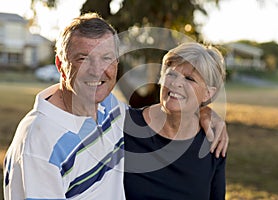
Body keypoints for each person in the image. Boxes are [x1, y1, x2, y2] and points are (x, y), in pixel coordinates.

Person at [3, 13, 227, 199]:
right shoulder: (38, 144)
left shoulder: (110, 111)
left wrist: (205, 112)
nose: (97, 70)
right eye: (83, 58)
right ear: (61, 64)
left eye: (106, 58)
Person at [124, 42, 227, 199]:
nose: (175, 83)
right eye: (171, 74)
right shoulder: (125, 126)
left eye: (189, 79)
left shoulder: (213, 142)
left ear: (207, 94)